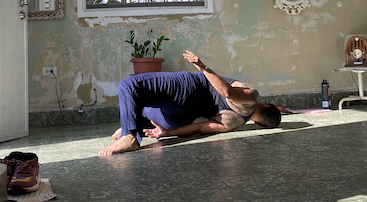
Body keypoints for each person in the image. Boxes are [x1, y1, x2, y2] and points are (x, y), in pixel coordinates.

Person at [99, 50, 281, 155]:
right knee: (145, 108)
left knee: (130, 86)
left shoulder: (252, 98)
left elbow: (228, 92)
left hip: (188, 89)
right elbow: (200, 128)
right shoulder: (234, 123)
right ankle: (134, 126)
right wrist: (167, 132)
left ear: (265, 105)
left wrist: (202, 66)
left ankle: (130, 136)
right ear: (258, 122)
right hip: (178, 118)